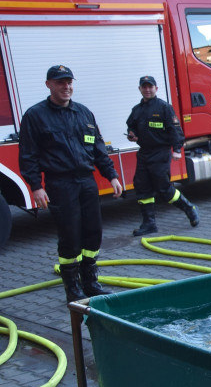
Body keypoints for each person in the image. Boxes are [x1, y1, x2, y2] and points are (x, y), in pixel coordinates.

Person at [19, 64, 125, 301]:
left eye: (69, 82)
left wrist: (112, 176)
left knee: (93, 232)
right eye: (60, 82)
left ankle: (90, 281)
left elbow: (98, 148)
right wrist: (36, 186)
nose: (66, 87)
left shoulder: (84, 113)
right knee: (70, 234)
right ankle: (72, 287)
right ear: (49, 85)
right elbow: (28, 155)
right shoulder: (35, 116)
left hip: (86, 181)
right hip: (61, 183)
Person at [125, 75, 198, 236]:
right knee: (142, 187)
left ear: (156, 89)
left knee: (163, 188)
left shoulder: (164, 108)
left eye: (150, 86)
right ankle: (149, 223)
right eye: (144, 87)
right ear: (140, 89)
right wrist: (132, 134)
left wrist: (177, 150)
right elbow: (131, 125)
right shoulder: (136, 110)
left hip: (161, 152)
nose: (147, 89)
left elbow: (175, 130)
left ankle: (189, 208)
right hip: (144, 153)